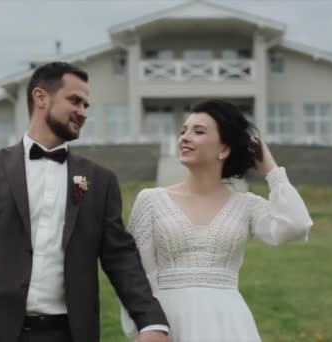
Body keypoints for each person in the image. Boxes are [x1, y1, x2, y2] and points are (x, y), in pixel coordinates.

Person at [0, 61, 169, 342]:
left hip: (69, 333)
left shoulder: (100, 181)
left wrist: (150, 321)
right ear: (41, 97)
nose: (82, 112)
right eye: (75, 101)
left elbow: (120, 257)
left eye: (86, 106)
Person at [121, 99, 313, 341]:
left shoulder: (246, 205)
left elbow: (296, 225)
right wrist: (145, 328)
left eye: (198, 131)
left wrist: (272, 170)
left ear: (224, 148)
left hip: (229, 324)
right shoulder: (150, 200)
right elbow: (136, 275)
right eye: (183, 131)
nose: (185, 137)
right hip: (168, 325)